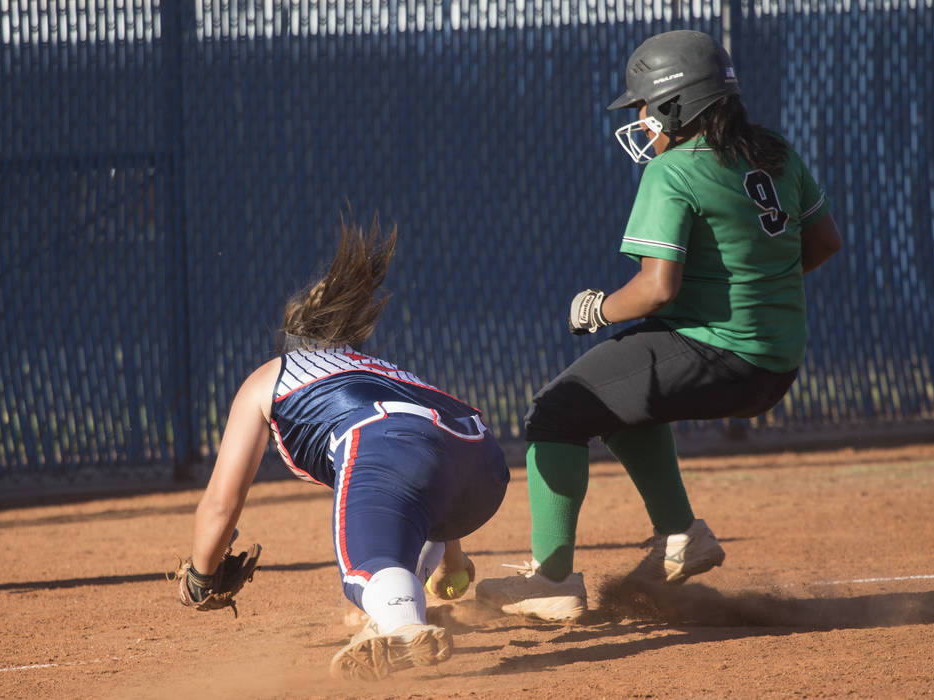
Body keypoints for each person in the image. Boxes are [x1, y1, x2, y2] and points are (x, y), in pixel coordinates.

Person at [475, 30, 843, 621]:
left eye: (645, 104)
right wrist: (752, 284)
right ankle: (680, 536)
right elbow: (824, 241)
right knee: (618, 399)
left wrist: (596, 308)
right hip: (776, 357)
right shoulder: (774, 150)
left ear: (677, 105)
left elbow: (656, 289)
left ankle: (552, 579)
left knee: (558, 409)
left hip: (722, 352)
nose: (641, 117)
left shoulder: (672, 170)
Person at [177, 215, 510, 679]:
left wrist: (200, 575)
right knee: (400, 518)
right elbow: (432, 453)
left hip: (387, 444)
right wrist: (452, 560)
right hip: (485, 463)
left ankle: (400, 622)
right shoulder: (385, 370)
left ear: (292, 341)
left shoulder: (270, 377)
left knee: (365, 567)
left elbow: (220, 505)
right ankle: (397, 600)